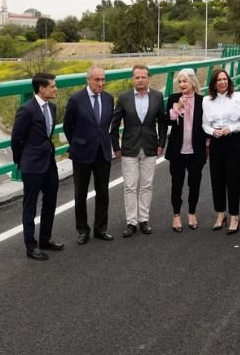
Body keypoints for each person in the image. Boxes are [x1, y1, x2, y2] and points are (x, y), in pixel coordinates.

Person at [11, 72, 64, 260]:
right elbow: (16, 138)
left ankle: (45, 239)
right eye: (52, 86)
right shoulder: (26, 110)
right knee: (30, 207)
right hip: (32, 165)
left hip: (49, 162)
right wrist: (21, 161)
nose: (56, 89)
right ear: (41, 89)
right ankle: (31, 246)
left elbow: (47, 135)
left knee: (50, 202)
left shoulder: (52, 107)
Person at [110, 65, 167, 238]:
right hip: (129, 147)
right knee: (130, 186)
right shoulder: (124, 97)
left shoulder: (157, 96)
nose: (140, 80)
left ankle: (143, 220)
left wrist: (161, 142)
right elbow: (115, 124)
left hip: (150, 146)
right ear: (132, 79)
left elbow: (162, 122)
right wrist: (116, 147)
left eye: (143, 77)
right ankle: (131, 222)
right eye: (137, 77)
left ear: (148, 78)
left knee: (147, 185)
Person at [63, 65, 115, 244]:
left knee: (103, 193)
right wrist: (78, 142)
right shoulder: (76, 99)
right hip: (82, 153)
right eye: (97, 80)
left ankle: (101, 229)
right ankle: (83, 230)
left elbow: (106, 124)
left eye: (103, 79)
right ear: (88, 80)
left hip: (102, 152)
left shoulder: (109, 98)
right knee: (81, 194)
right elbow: (67, 126)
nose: (101, 83)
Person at [202, 69, 240, 234]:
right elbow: (205, 124)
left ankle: (234, 216)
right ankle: (220, 214)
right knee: (217, 179)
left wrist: (231, 128)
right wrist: (213, 132)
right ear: (214, 84)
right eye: (219, 80)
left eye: (225, 79)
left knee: (233, 179)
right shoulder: (207, 100)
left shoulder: (239, 97)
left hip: (232, 140)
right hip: (216, 141)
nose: (222, 82)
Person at [165, 68, 208, 232]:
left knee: (194, 183)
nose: (182, 84)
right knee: (176, 183)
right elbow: (169, 121)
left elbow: (206, 125)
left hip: (196, 150)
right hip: (177, 150)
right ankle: (176, 215)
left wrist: (207, 146)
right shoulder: (173, 98)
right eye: (180, 82)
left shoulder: (202, 101)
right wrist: (178, 107)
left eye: (185, 81)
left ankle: (192, 213)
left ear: (193, 82)